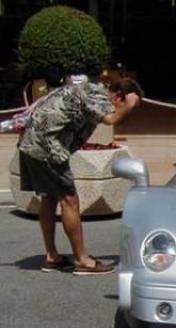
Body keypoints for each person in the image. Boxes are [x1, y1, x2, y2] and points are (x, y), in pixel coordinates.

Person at [18, 78, 143, 275]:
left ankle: (52, 256)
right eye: (123, 102)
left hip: (32, 143)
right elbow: (112, 119)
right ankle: (82, 260)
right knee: (70, 200)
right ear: (118, 96)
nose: (125, 109)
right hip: (48, 147)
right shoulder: (99, 94)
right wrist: (130, 104)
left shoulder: (85, 88)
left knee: (49, 197)